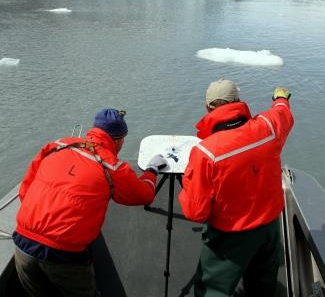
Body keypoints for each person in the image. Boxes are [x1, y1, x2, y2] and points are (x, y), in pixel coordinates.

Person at [13, 108, 167, 297]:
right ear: (118, 140)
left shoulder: (56, 146)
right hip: (63, 254)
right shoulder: (112, 166)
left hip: (22, 243)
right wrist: (151, 170)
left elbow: (24, 192)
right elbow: (144, 195)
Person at [179, 79, 294, 297]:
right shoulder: (267, 127)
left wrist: (187, 184)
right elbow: (282, 114)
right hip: (269, 227)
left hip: (231, 236)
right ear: (239, 102)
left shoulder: (207, 152)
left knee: (213, 290)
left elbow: (195, 212)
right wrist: (280, 98)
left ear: (208, 108)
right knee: (262, 285)